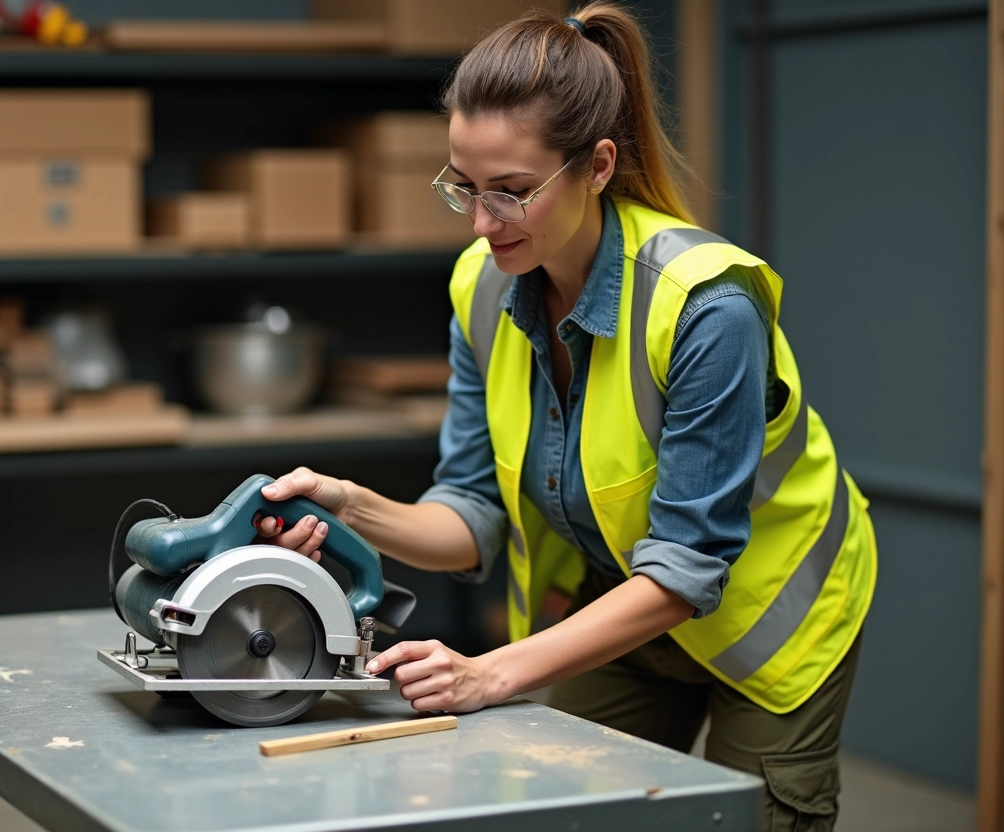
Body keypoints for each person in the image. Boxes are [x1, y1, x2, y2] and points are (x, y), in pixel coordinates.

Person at [254, 4, 876, 830]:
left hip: (768, 622)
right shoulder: (482, 286)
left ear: (596, 166)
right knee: (565, 808)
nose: (481, 224)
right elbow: (471, 513)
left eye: (510, 194)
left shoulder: (705, 306)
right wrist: (350, 509)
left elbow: (688, 569)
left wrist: (493, 672)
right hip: (624, 599)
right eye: (462, 189)